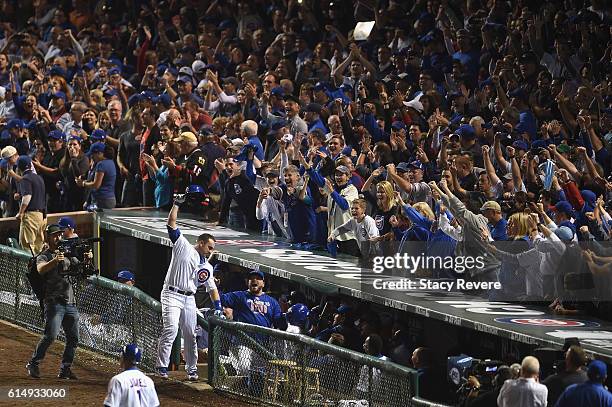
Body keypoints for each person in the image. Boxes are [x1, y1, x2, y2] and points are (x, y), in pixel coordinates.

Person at [155, 198, 222, 381]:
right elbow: (171, 223)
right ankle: (162, 366)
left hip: (189, 298)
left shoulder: (207, 267)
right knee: (170, 330)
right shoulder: (183, 246)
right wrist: (176, 204)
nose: (210, 251)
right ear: (201, 243)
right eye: (209, 247)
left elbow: (212, 288)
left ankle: (191, 370)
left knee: (190, 334)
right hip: (171, 293)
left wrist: (219, 307)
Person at [26, 223, 92, 379]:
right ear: (48, 237)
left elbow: (83, 272)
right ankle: (33, 363)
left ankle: (65, 368)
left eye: (59, 235)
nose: (57, 237)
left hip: (70, 302)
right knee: (51, 336)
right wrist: (55, 260)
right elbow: (40, 269)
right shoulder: (44, 255)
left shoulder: (68, 254)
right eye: (54, 235)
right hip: (54, 302)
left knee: (73, 338)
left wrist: (87, 260)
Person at [221, 270, 287, 330]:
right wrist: (215, 287)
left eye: (258, 278)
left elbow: (280, 323)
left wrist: (284, 314)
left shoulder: (272, 302)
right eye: (251, 278)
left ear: (263, 283)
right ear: (247, 282)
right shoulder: (239, 296)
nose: (254, 280)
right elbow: (220, 299)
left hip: (263, 341)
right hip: (242, 339)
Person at [16, 155, 46, 254]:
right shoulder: (39, 178)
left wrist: (20, 212)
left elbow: (27, 196)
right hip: (42, 216)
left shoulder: (25, 178)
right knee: (39, 248)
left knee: (27, 248)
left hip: (31, 216)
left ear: (18, 167)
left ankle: (29, 270)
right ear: (30, 165)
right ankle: (40, 269)